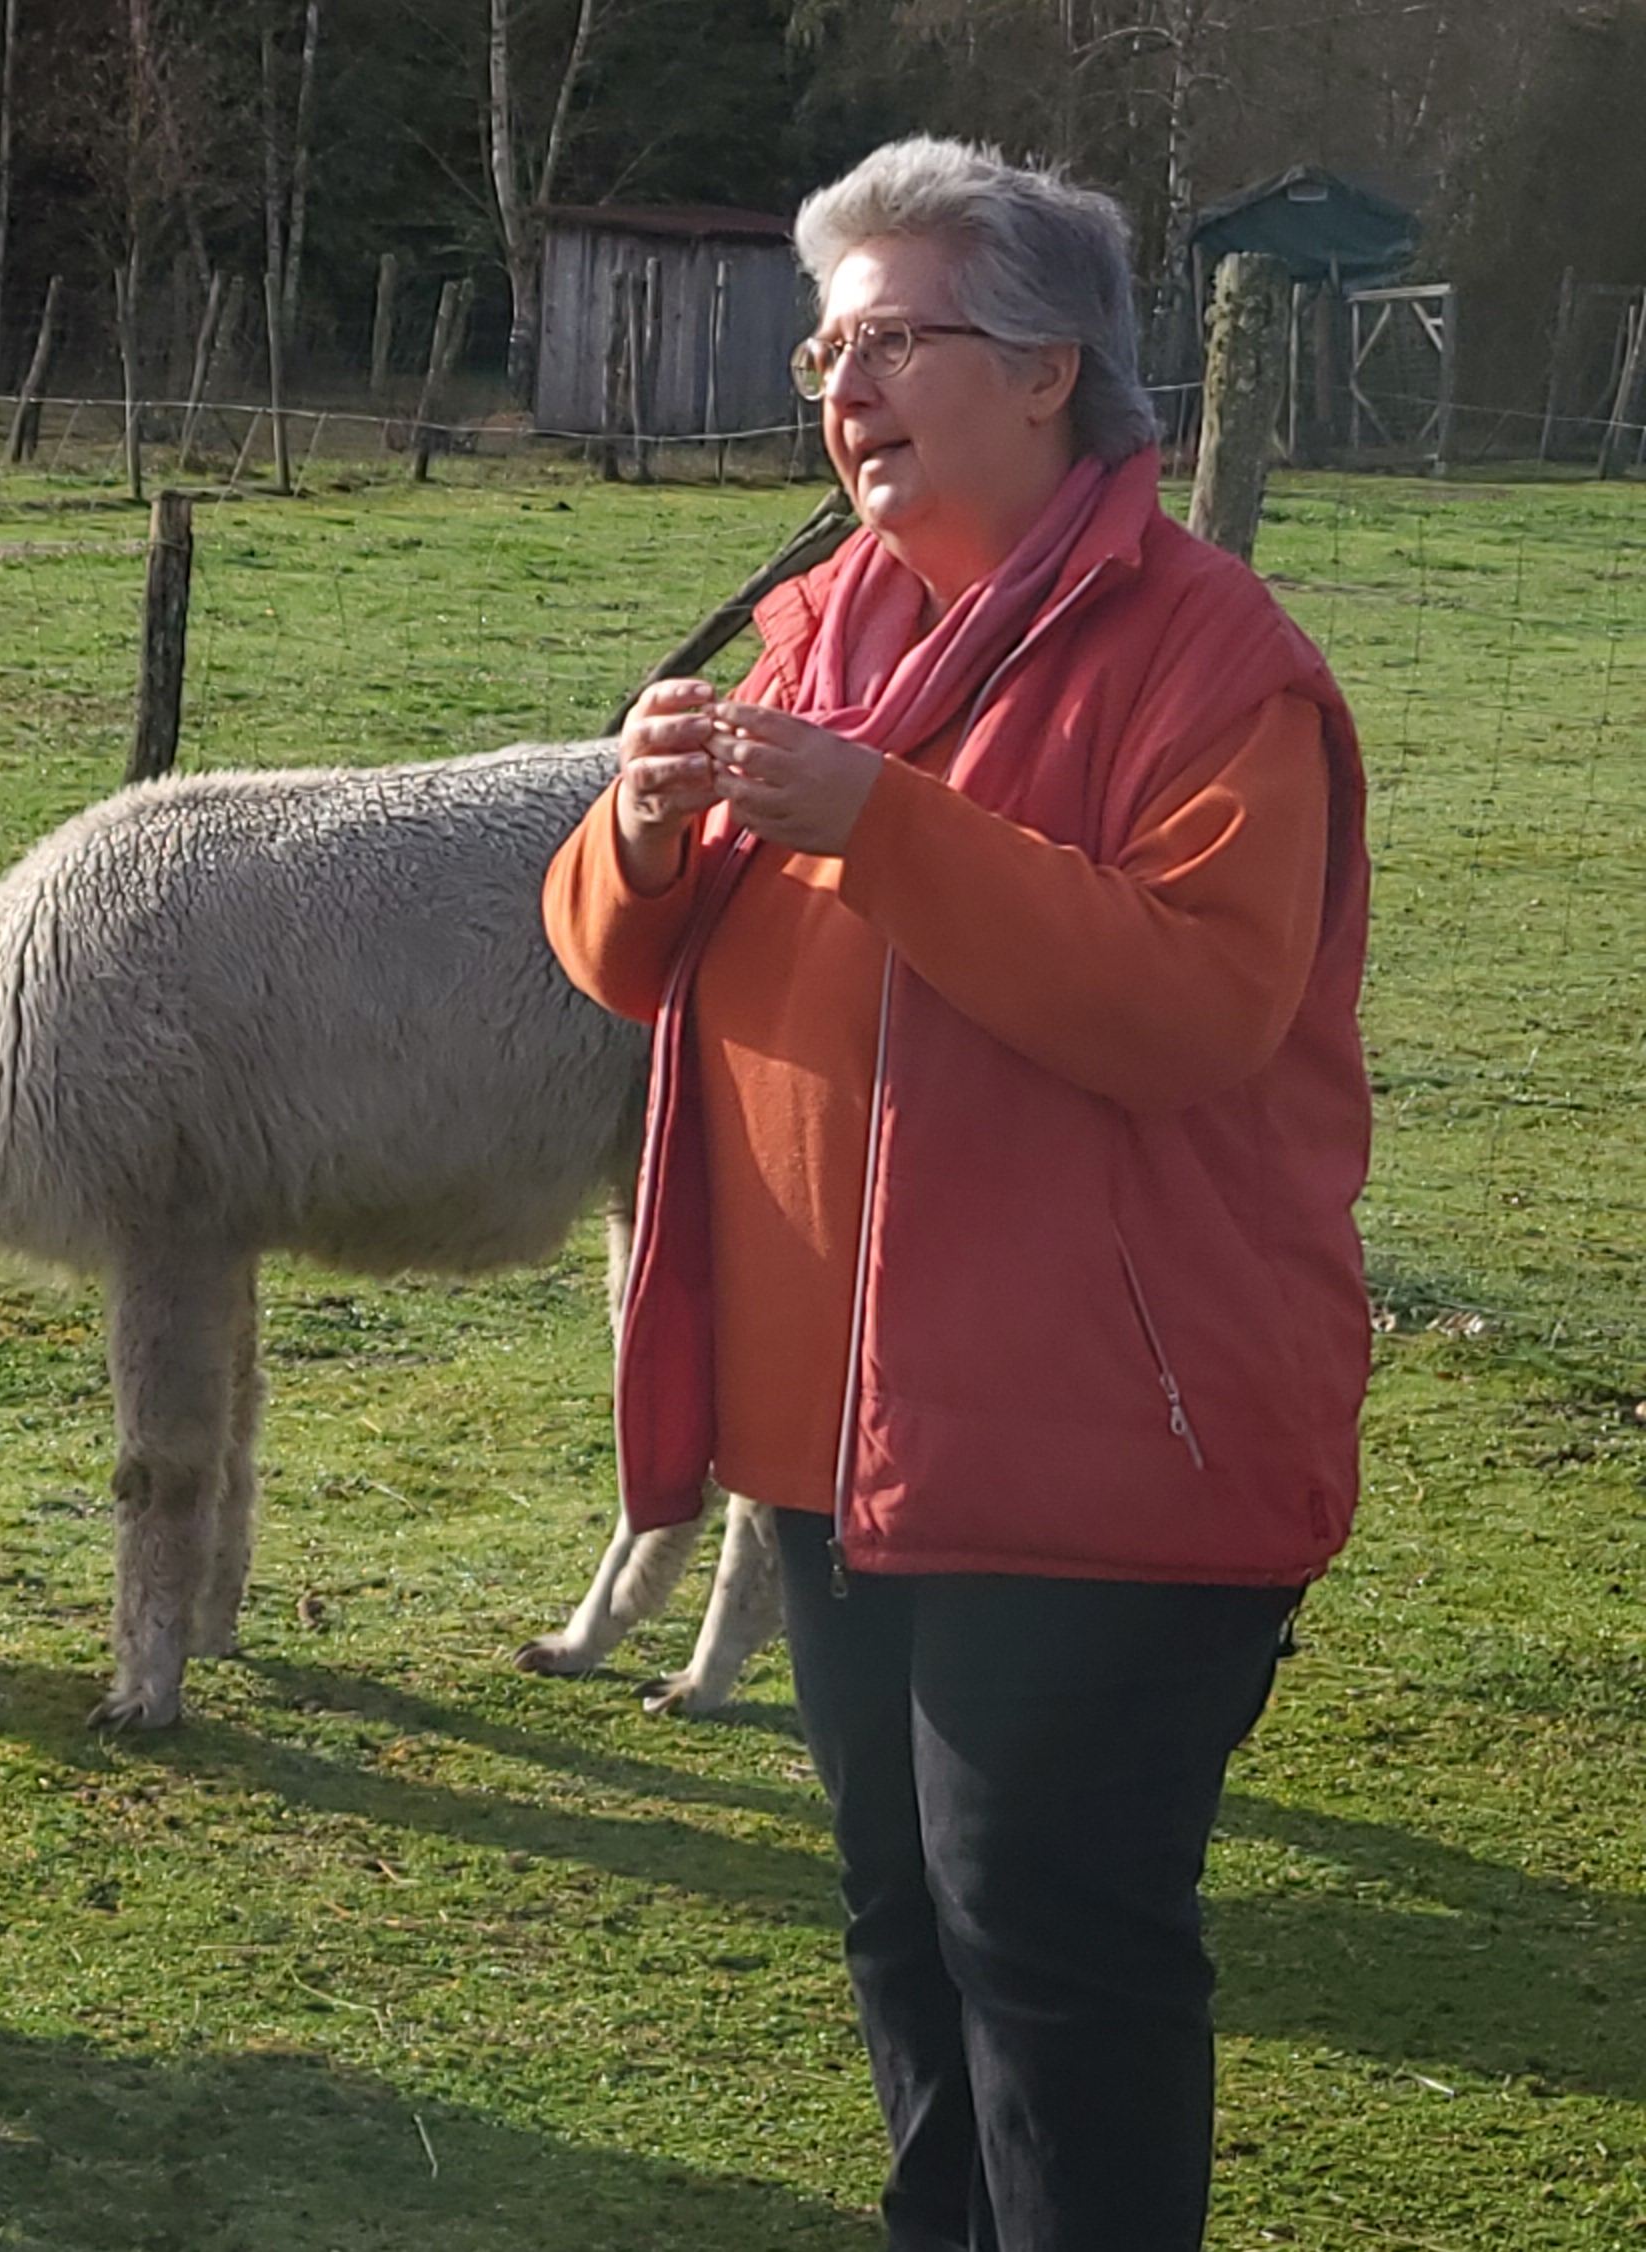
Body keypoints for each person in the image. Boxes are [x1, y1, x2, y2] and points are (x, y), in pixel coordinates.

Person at [542, 137, 1369, 2250]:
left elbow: (1195, 1004)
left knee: (1048, 1954)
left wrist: (883, 824)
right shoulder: (811, 627)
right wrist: (633, 833)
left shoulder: (1208, 660)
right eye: (824, 344)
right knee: (900, 1923)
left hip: (1098, 1441)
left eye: (889, 337)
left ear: (1042, 370)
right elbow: (622, 959)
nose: (840, 383)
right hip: (832, 1452)